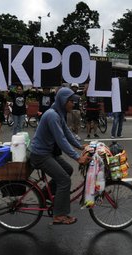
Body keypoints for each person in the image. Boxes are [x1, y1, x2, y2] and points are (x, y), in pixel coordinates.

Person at [29, 87, 90, 225]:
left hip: (47, 152)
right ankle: (59, 215)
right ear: (63, 101)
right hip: (40, 155)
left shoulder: (58, 113)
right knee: (64, 180)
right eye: (70, 101)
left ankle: (45, 194)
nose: (73, 104)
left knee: (68, 170)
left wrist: (80, 146)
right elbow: (61, 139)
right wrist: (77, 157)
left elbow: (67, 133)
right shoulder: (52, 115)